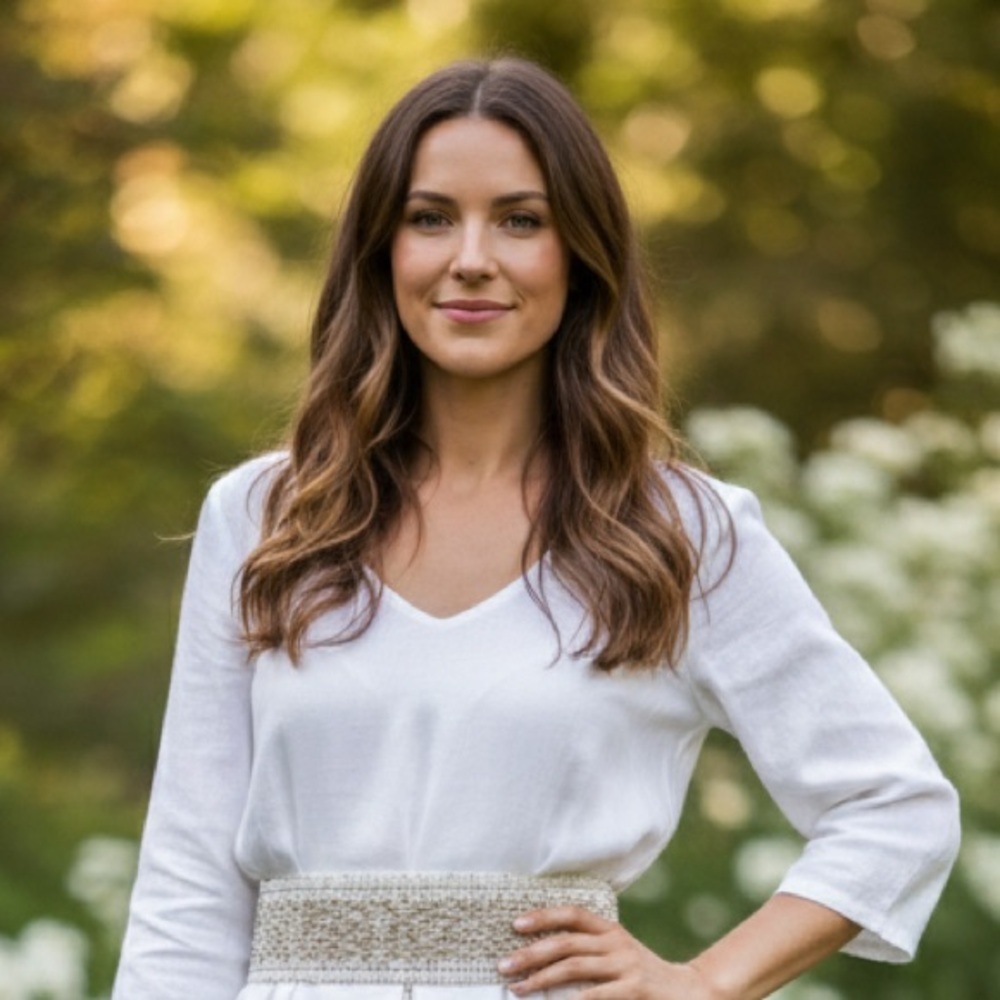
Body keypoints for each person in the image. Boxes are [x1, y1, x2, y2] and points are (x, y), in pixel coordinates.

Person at [112, 57, 959, 1000]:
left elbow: (895, 806)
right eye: (430, 218)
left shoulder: (677, 533)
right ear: (381, 252)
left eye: (521, 220)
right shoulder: (268, 518)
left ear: (580, 256)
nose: (471, 257)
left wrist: (706, 983)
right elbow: (189, 878)